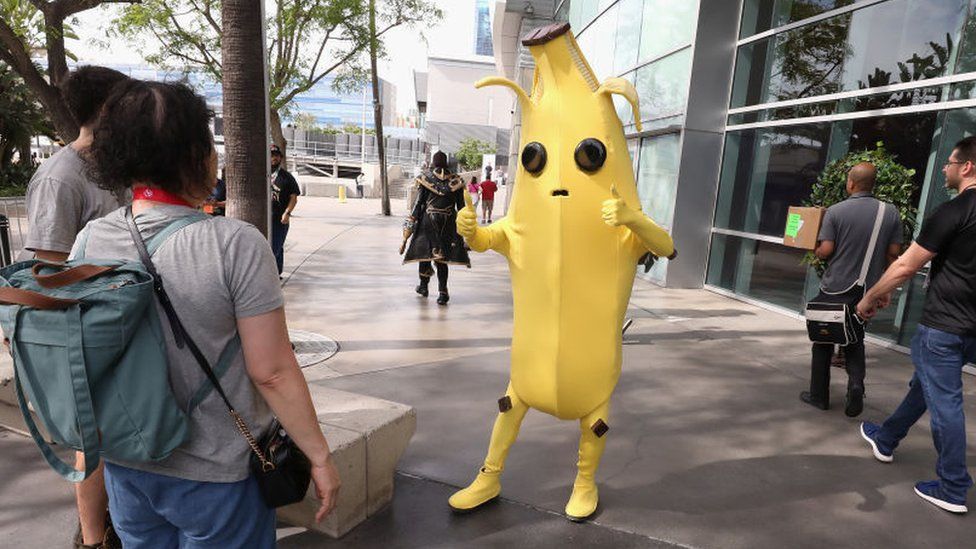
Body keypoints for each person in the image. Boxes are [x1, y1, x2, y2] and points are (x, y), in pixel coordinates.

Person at [78, 79, 340, 546]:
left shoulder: (91, 240)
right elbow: (272, 370)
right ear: (196, 153)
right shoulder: (234, 244)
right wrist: (318, 455)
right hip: (217, 476)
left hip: (127, 466)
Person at [23, 65, 130, 549]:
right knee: (95, 443)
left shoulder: (116, 166)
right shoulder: (60, 177)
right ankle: (92, 540)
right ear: (108, 110)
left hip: (123, 323)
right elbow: (47, 274)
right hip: (86, 331)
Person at [857, 137, 976, 515]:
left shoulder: (954, 211)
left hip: (945, 325)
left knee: (946, 403)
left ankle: (953, 487)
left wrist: (870, 296)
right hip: (971, 327)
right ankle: (888, 437)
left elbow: (907, 265)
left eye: (950, 162)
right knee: (925, 385)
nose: (945, 168)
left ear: (967, 167)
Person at [800, 162, 902, 417]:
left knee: (823, 338)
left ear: (851, 183)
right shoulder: (890, 212)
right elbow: (893, 254)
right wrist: (886, 288)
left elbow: (826, 250)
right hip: (869, 290)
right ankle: (856, 384)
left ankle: (818, 395)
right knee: (855, 338)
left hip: (836, 287)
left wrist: (811, 246)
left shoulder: (835, 211)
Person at [401, 151, 470, 305]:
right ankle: (443, 292)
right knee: (442, 258)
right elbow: (462, 208)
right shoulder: (456, 181)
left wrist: (411, 220)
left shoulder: (426, 178)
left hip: (427, 222)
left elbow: (419, 204)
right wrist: (465, 230)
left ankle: (424, 287)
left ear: (433, 162)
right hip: (448, 222)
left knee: (424, 254)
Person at [271, 143, 300, 275]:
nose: (274, 158)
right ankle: (277, 272)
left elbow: (293, 198)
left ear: (281, 158)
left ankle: (273, 274)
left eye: (276, 156)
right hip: (264, 217)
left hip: (279, 219)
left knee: (275, 247)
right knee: (275, 247)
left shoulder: (286, 177)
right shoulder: (261, 175)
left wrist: (287, 213)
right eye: (271, 155)